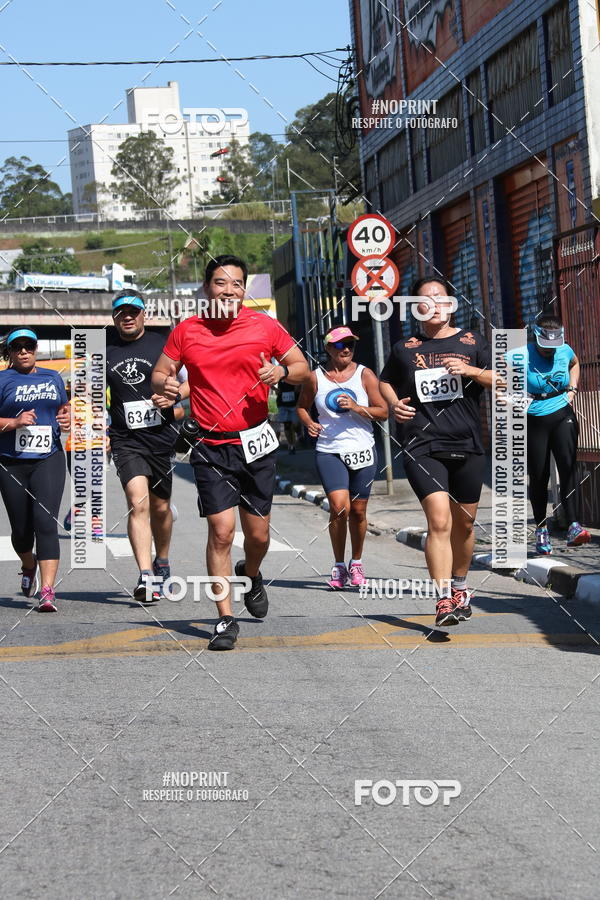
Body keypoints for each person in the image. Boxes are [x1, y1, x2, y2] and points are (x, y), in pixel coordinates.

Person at [151, 254, 309, 651]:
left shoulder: (264, 326)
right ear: (207, 288)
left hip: (255, 442)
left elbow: (302, 366)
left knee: (258, 536)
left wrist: (281, 373)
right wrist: (166, 386)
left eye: (237, 284)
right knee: (221, 531)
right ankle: (225, 618)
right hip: (210, 444)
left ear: (244, 291)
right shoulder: (187, 330)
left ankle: (251, 573)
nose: (229, 290)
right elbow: (160, 372)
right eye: (221, 283)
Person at [379, 276, 493, 627]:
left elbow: (503, 376)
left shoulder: (472, 341)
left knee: (465, 524)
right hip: (422, 444)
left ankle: (460, 586)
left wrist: (470, 370)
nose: (434, 304)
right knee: (439, 520)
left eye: (441, 298)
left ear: (450, 304)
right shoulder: (405, 348)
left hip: (468, 444)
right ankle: (443, 600)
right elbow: (385, 381)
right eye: (425, 299)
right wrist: (394, 404)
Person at [107, 290, 188, 602]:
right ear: (114, 317)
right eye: (121, 313)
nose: (127, 317)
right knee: (137, 503)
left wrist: (175, 396)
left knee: (160, 507)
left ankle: (162, 559)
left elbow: (193, 377)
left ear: (143, 314)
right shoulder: (104, 349)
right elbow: (93, 393)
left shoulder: (162, 343)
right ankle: (145, 576)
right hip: (126, 440)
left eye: (133, 312)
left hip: (161, 437)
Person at [297, 326, 387, 589]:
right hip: (329, 450)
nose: (346, 349)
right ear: (327, 348)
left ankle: (356, 563)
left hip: (362, 450)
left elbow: (383, 411)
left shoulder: (364, 374)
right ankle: (338, 566)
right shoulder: (315, 378)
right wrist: (309, 423)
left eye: (350, 344)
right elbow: (302, 407)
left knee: (358, 511)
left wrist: (358, 408)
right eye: (339, 345)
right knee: (339, 508)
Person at [0, 328, 70, 611]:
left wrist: (65, 418)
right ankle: (28, 565)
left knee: (45, 521)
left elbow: (63, 408)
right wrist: (14, 423)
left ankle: (47, 589)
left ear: (36, 348)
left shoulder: (52, 376)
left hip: (48, 457)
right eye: (18, 347)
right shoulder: (2, 379)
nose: (24, 351)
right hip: (11, 462)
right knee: (21, 531)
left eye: (29, 346)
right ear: (10, 352)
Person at [521, 314, 590, 553]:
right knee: (539, 476)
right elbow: (500, 380)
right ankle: (541, 530)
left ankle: (573, 525)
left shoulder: (565, 350)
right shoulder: (521, 355)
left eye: (554, 347)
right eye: (545, 347)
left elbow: (575, 363)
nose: (550, 351)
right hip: (535, 418)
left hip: (562, 414)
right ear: (536, 337)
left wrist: (572, 389)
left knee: (568, 468)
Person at [275, 380, 300, 453]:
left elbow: (299, 383)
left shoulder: (293, 374)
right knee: (287, 426)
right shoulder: (278, 375)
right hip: (283, 404)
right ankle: (291, 445)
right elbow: (270, 384)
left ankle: (299, 434)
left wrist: (298, 386)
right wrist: (275, 389)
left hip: (294, 404)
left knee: (295, 424)